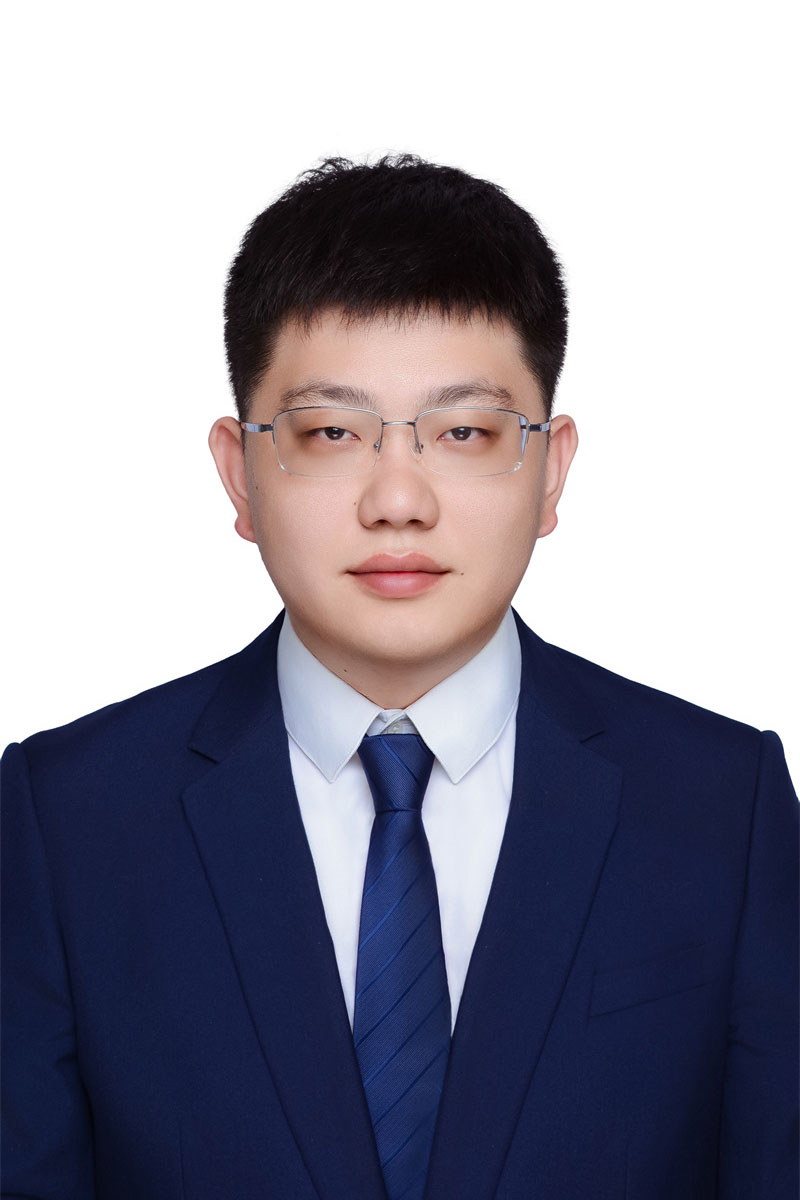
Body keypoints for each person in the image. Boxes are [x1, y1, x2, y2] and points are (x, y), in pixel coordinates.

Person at [2, 154, 797, 1200]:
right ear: (239, 473)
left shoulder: (721, 805)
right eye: (332, 432)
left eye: (463, 432)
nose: (397, 499)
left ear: (549, 469)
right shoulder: (68, 818)